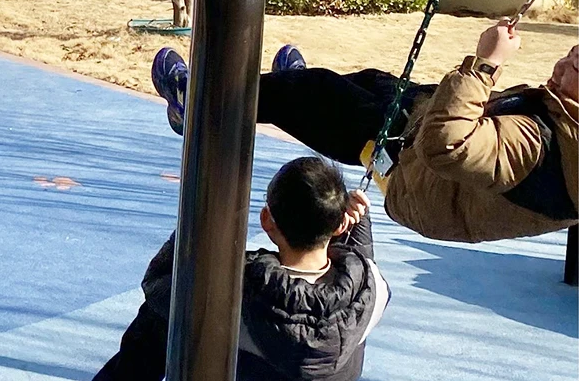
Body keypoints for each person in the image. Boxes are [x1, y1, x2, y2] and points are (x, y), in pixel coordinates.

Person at [60, 156, 389, 381]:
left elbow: (159, 285)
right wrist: (359, 227)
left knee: (168, 311)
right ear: (340, 226)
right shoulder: (372, 282)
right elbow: (356, 267)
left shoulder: (241, 293)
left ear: (267, 221)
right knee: (336, 311)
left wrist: (197, 222)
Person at [151, 24, 579, 244]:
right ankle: (293, 99)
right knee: (373, 82)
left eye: (573, 67)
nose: (561, 63)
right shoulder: (565, 119)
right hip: (428, 140)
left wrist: (484, 64)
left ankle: (198, 105)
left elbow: (448, 144)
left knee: (326, 97)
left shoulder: (539, 147)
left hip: (418, 179)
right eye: (570, 53)